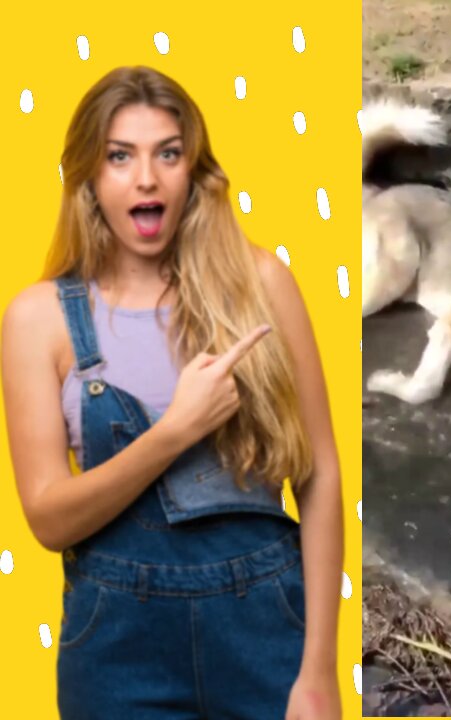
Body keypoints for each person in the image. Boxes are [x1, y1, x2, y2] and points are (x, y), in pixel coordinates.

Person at [1, 65, 343, 719]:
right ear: (88, 180)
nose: (146, 178)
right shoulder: (36, 318)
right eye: (120, 157)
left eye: (168, 153)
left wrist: (319, 670)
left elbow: (320, 475)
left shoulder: (262, 283)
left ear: (194, 171)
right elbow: (48, 519)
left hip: (267, 633)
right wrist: (175, 431)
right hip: (116, 653)